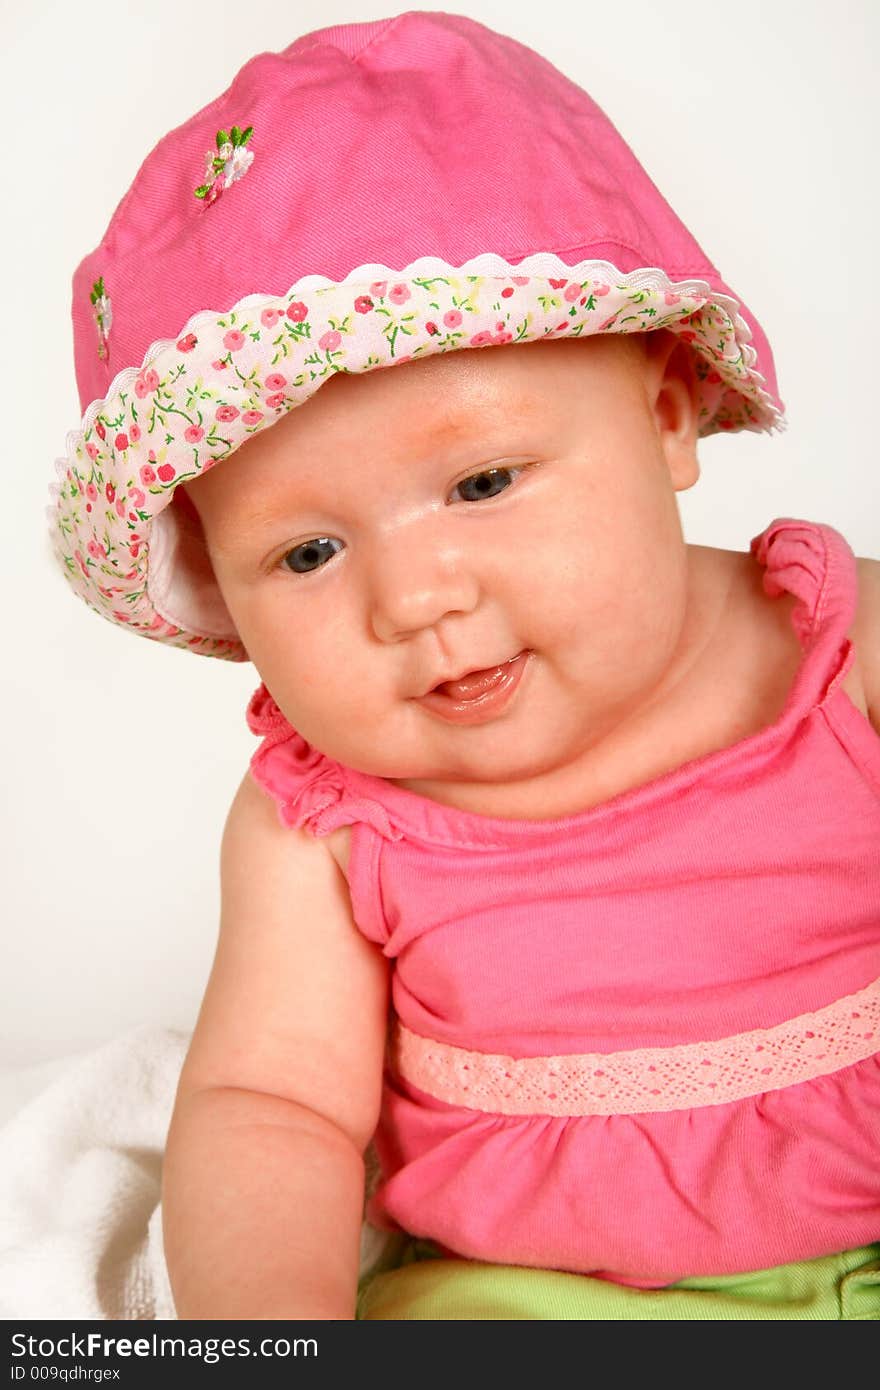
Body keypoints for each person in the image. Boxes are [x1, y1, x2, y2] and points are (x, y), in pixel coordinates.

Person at [48, 13, 880, 1320]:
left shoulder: (843, 648)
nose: (416, 596)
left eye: (483, 480)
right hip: (536, 1294)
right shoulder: (322, 822)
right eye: (309, 550)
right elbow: (272, 1108)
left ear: (667, 411)